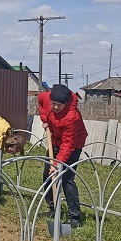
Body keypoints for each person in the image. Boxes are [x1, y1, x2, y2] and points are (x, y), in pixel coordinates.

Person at [38, 84, 87, 229]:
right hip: (55, 141)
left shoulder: (72, 117)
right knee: (47, 175)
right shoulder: (47, 97)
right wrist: (44, 119)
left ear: (65, 103)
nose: (55, 107)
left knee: (66, 178)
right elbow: (40, 101)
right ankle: (53, 209)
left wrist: (57, 162)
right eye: (53, 104)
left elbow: (68, 143)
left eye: (59, 105)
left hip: (73, 144)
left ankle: (74, 218)